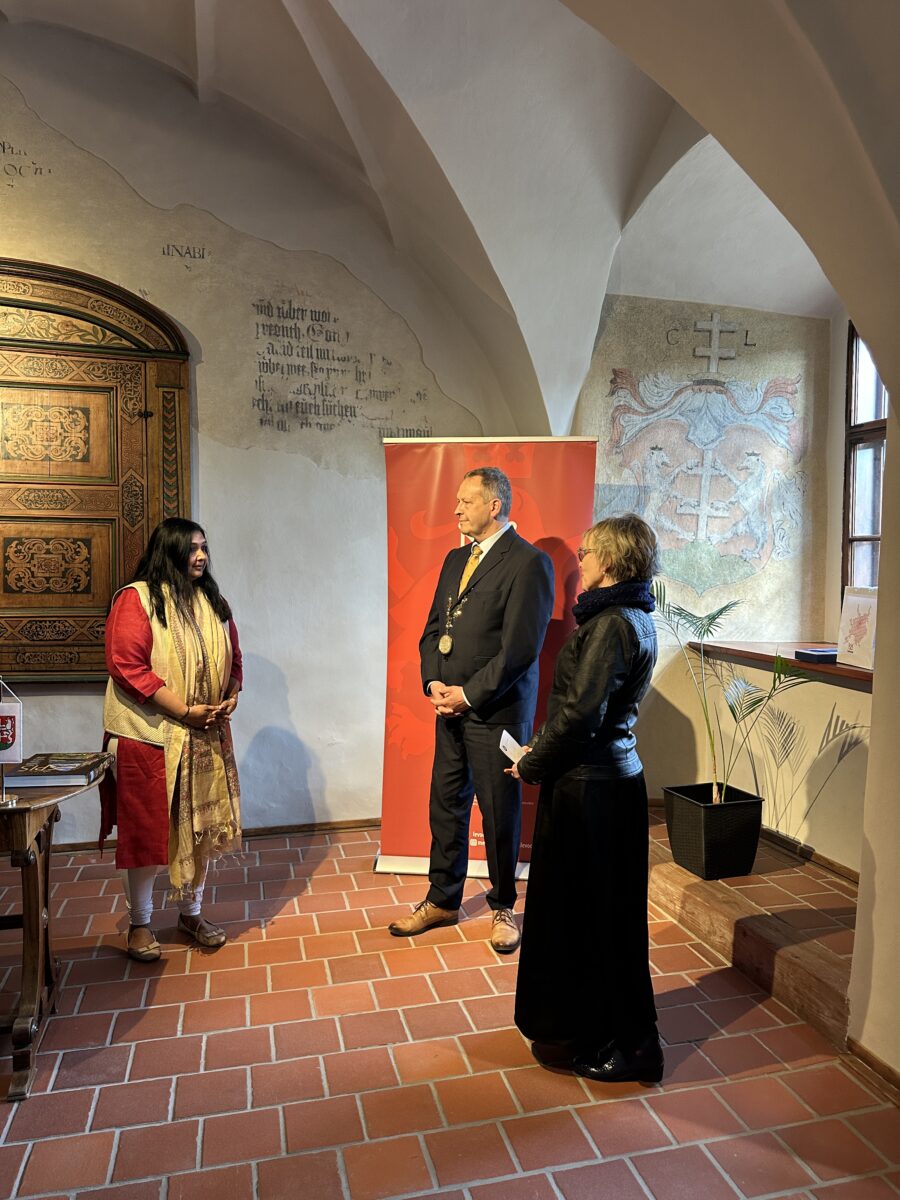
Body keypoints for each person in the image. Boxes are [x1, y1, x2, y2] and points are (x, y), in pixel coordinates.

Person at [511, 513, 663, 1083]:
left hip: (592, 789)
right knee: (595, 916)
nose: (581, 560)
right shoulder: (631, 616)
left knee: (599, 919)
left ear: (614, 562)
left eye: (588, 552)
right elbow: (586, 713)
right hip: (602, 783)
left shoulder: (613, 624)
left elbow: (580, 717)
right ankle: (589, 1028)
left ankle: (634, 1047)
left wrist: (531, 762)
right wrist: (542, 750)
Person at [388, 467, 554, 952]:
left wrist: (469, 694)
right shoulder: (455, 557)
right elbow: (432, 630)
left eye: (466, 501)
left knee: (499, 812)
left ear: (494, 505)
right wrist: (434, 682)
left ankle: (503, 906)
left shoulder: (529, 562)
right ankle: (442, 899)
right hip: (449, 708)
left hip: (495, 711)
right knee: (446, 803)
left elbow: (520, 650)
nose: (456, 509)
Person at [99, 518, 242, 962]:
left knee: (201, 827)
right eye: (191, 548)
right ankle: (139, 924)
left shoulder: (212, 601)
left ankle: (191, 913)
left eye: (204, 547)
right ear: (169, 551)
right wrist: (182, 710)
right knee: (147, 833)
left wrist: (231, 696)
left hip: (205, 733)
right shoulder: (137, 598)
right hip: (149, 737)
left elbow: (235, 658)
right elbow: (126, 665)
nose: (201, 556)